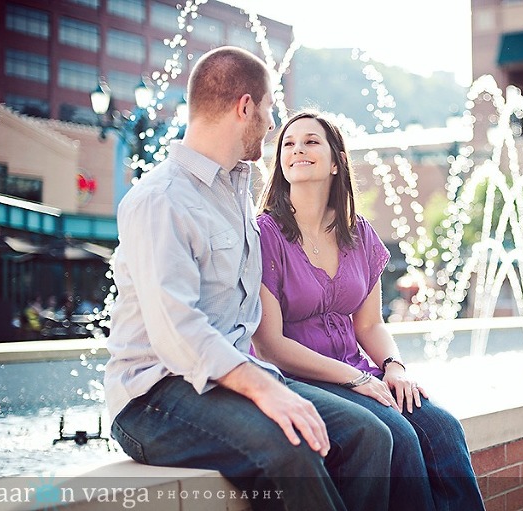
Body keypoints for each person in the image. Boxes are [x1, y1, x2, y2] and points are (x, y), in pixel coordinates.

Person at [104, 47, 392, 511]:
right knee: (291, 444)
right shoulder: (160, 199)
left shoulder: (234, 190)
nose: (273, 123)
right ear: (245, 107)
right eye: (270, 108)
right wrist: (267, 390)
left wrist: (270, 384)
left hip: (231, 380)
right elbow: (177, 331)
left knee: (368, 434)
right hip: (155, 398)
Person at [253, 110, 486, 511]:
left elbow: (371, 324)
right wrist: (355, 378)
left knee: (442, 427)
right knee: (397, 432)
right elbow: (270, 345)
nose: (297, 150)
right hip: (300, 378)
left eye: (311, 142)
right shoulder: (263, 234)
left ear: (336, 160)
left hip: (358, 373)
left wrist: (394, 367)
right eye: (288, 144)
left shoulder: (358, 232)